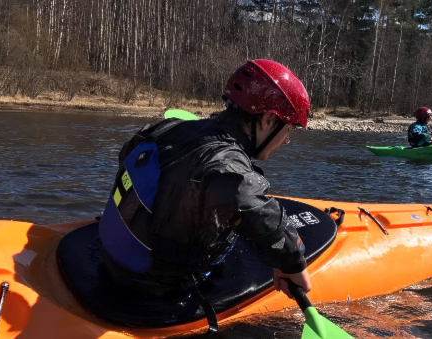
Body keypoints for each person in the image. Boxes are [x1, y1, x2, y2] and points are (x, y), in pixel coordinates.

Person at [98, 59, 312, 304]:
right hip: (155, 287)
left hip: (114, 259)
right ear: (269, 120)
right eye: (289, 130)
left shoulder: (170, 128)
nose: (286, 141)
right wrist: (293, 262)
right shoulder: (224, 161)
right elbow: (249, 203)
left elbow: (128, 152)